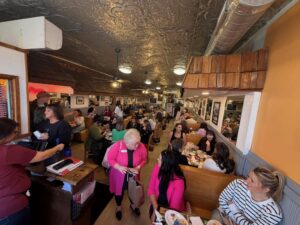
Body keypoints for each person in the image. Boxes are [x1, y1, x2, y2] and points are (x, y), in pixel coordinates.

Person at [0, 118, 64, 225]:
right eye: (15, 132)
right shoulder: (8, 151)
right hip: (11, 209)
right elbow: (42, 155)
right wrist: (57, 147)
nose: (16, 135)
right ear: (6, 133)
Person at [213, 167, 285, 225]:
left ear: (266, 189)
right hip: (223, 215)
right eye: (248, 176)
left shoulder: (273, 213)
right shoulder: (238, 183)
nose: (246, 181)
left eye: (252, 180)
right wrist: (228, 220)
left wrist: (234, 209)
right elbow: (222, 199)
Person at [107, 129, 147, 220]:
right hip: (119, 174)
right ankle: (118, 207)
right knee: (119, 191)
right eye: (134, 144)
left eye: (138, 143)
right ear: (127, 143)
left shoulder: (141, 146)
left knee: (133, 190)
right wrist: (118, 167)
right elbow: (110, 159)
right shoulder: (117, 146)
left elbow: (144, 160)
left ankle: (133, 205)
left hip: (133, 174)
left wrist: (138, 167)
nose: (137, 146)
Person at [148, 150, 186, 217]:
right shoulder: (157, 168)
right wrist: (155, 208)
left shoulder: (179, 182)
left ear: (166, 164)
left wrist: (159, 215)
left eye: (159, 159)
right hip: (156, 202)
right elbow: (151, 189)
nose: (157, 159)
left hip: (170, 210)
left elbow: (174, 208)